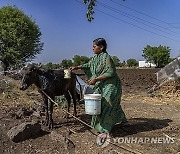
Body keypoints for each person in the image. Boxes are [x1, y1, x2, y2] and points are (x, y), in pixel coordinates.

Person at [70, 38, 127, 141]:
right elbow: (88, 65)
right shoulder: (96, 58)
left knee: (107, 103)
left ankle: (106, 130)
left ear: (101, 47)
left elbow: (110, 73)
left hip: (111, 85)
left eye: (94, 46)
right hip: (101, 84)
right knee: (103, 104)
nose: (92, 48)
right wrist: (76, 67)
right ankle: (118, 120)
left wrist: (95, 79)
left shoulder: (106, 58)